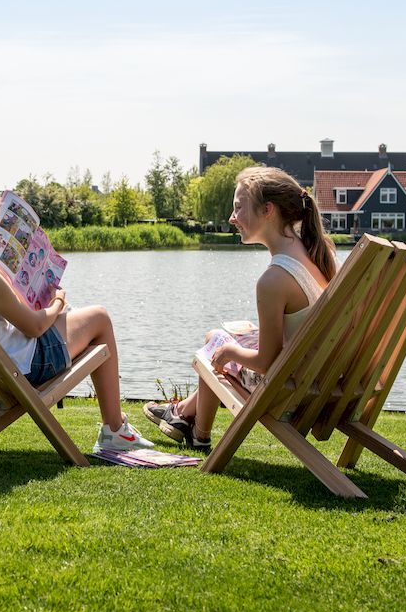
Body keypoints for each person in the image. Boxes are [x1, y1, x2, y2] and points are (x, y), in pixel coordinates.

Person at [0, 164, 155, 453]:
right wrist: (58, 301)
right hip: (21, 368)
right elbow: (35, 326)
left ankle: (115, 429)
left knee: (72, 319)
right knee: (100, 318)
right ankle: (115, 429)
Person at [142, 166, 337, 450]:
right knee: (218, 338)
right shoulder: (316, 255)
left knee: (216, 344)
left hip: (290, 390)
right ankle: (184, 416)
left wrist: (230, 352)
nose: (232, 218)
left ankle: (197, 430)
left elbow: (265, 362)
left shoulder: (275, 279)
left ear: (267, 210)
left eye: (238, 208)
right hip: (318, 380)